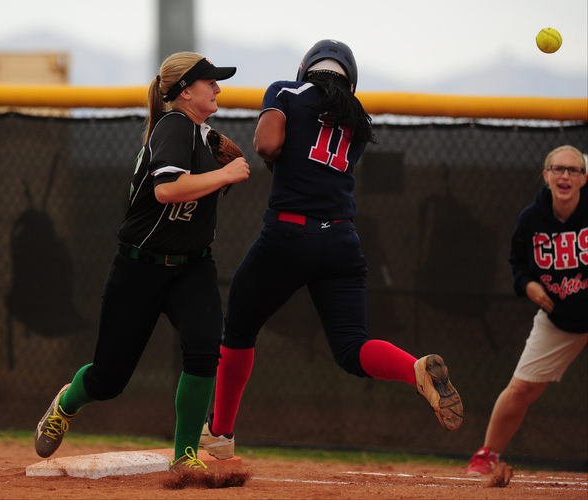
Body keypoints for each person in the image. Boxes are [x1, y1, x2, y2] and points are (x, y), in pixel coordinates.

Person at [198, 39, 464, 460]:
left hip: (288, 235)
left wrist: (275, 156)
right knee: (352, 346)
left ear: (306, 67)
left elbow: (267, 147)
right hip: (341, 239)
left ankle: (221, 434)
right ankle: (413, 369)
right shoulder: (358, 118)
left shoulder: (285, 91)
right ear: (350, 80)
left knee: (239, 329)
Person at [33, 52, 250, 473]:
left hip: (192, 266)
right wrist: (225, 175)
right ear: (186, 90)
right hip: (139, 267)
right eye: (211, 82)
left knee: (205, 350)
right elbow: (167, 190)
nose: (218, 88)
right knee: (108, 379)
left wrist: (216, 163)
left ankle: (185, 456)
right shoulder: (173, 126)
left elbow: (194, 182)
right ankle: (66, 401)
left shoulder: (201, 136)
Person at [465, 145, 588, 475]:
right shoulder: (531, 219)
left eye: (573, 170)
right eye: (558, 169)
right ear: (546, 175)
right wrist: (528, 285)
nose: (565, 175)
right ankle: (487, 455)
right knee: (522, 388)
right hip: (558, 318)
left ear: (584, 179)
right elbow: (518, 264)